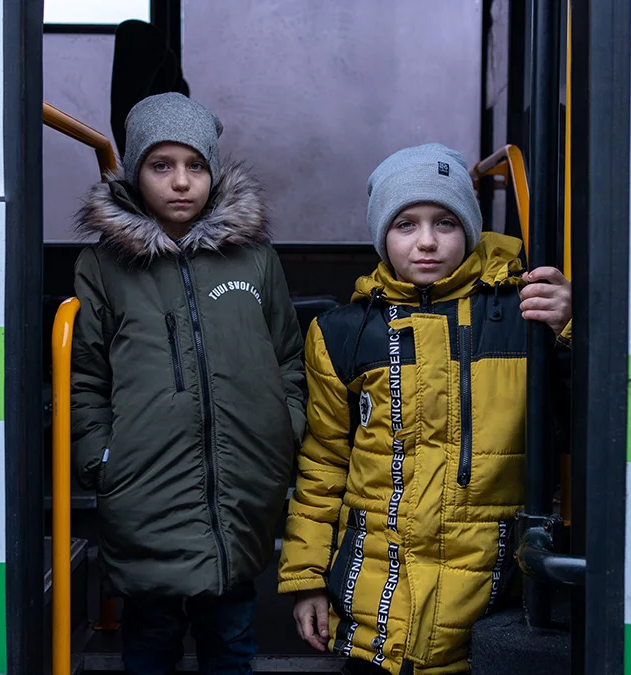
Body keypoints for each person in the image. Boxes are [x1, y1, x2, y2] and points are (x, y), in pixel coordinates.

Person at [279, 143, 572, 675]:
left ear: (471, 230)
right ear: (381, 237)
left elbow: (585, 423)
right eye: (406, 225)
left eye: (445, 222)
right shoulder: (345, 333)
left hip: (491, 609)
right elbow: (322, 465)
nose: (428, 241)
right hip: (374, 615)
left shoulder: (523, 314)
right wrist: (306, 579)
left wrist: (571, 331)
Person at [71, 92, 307, 675]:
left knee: (231, 636)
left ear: (214, 172)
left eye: (195, 166)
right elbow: (85, 379)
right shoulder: (104, 266)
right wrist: (103, 457)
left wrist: (285, 430)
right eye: (161, 166)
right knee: (151, 638)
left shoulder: (254, 258)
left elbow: (289, 358)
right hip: (143, 488)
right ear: (132, 173)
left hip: (240, 490)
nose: (181, 182)